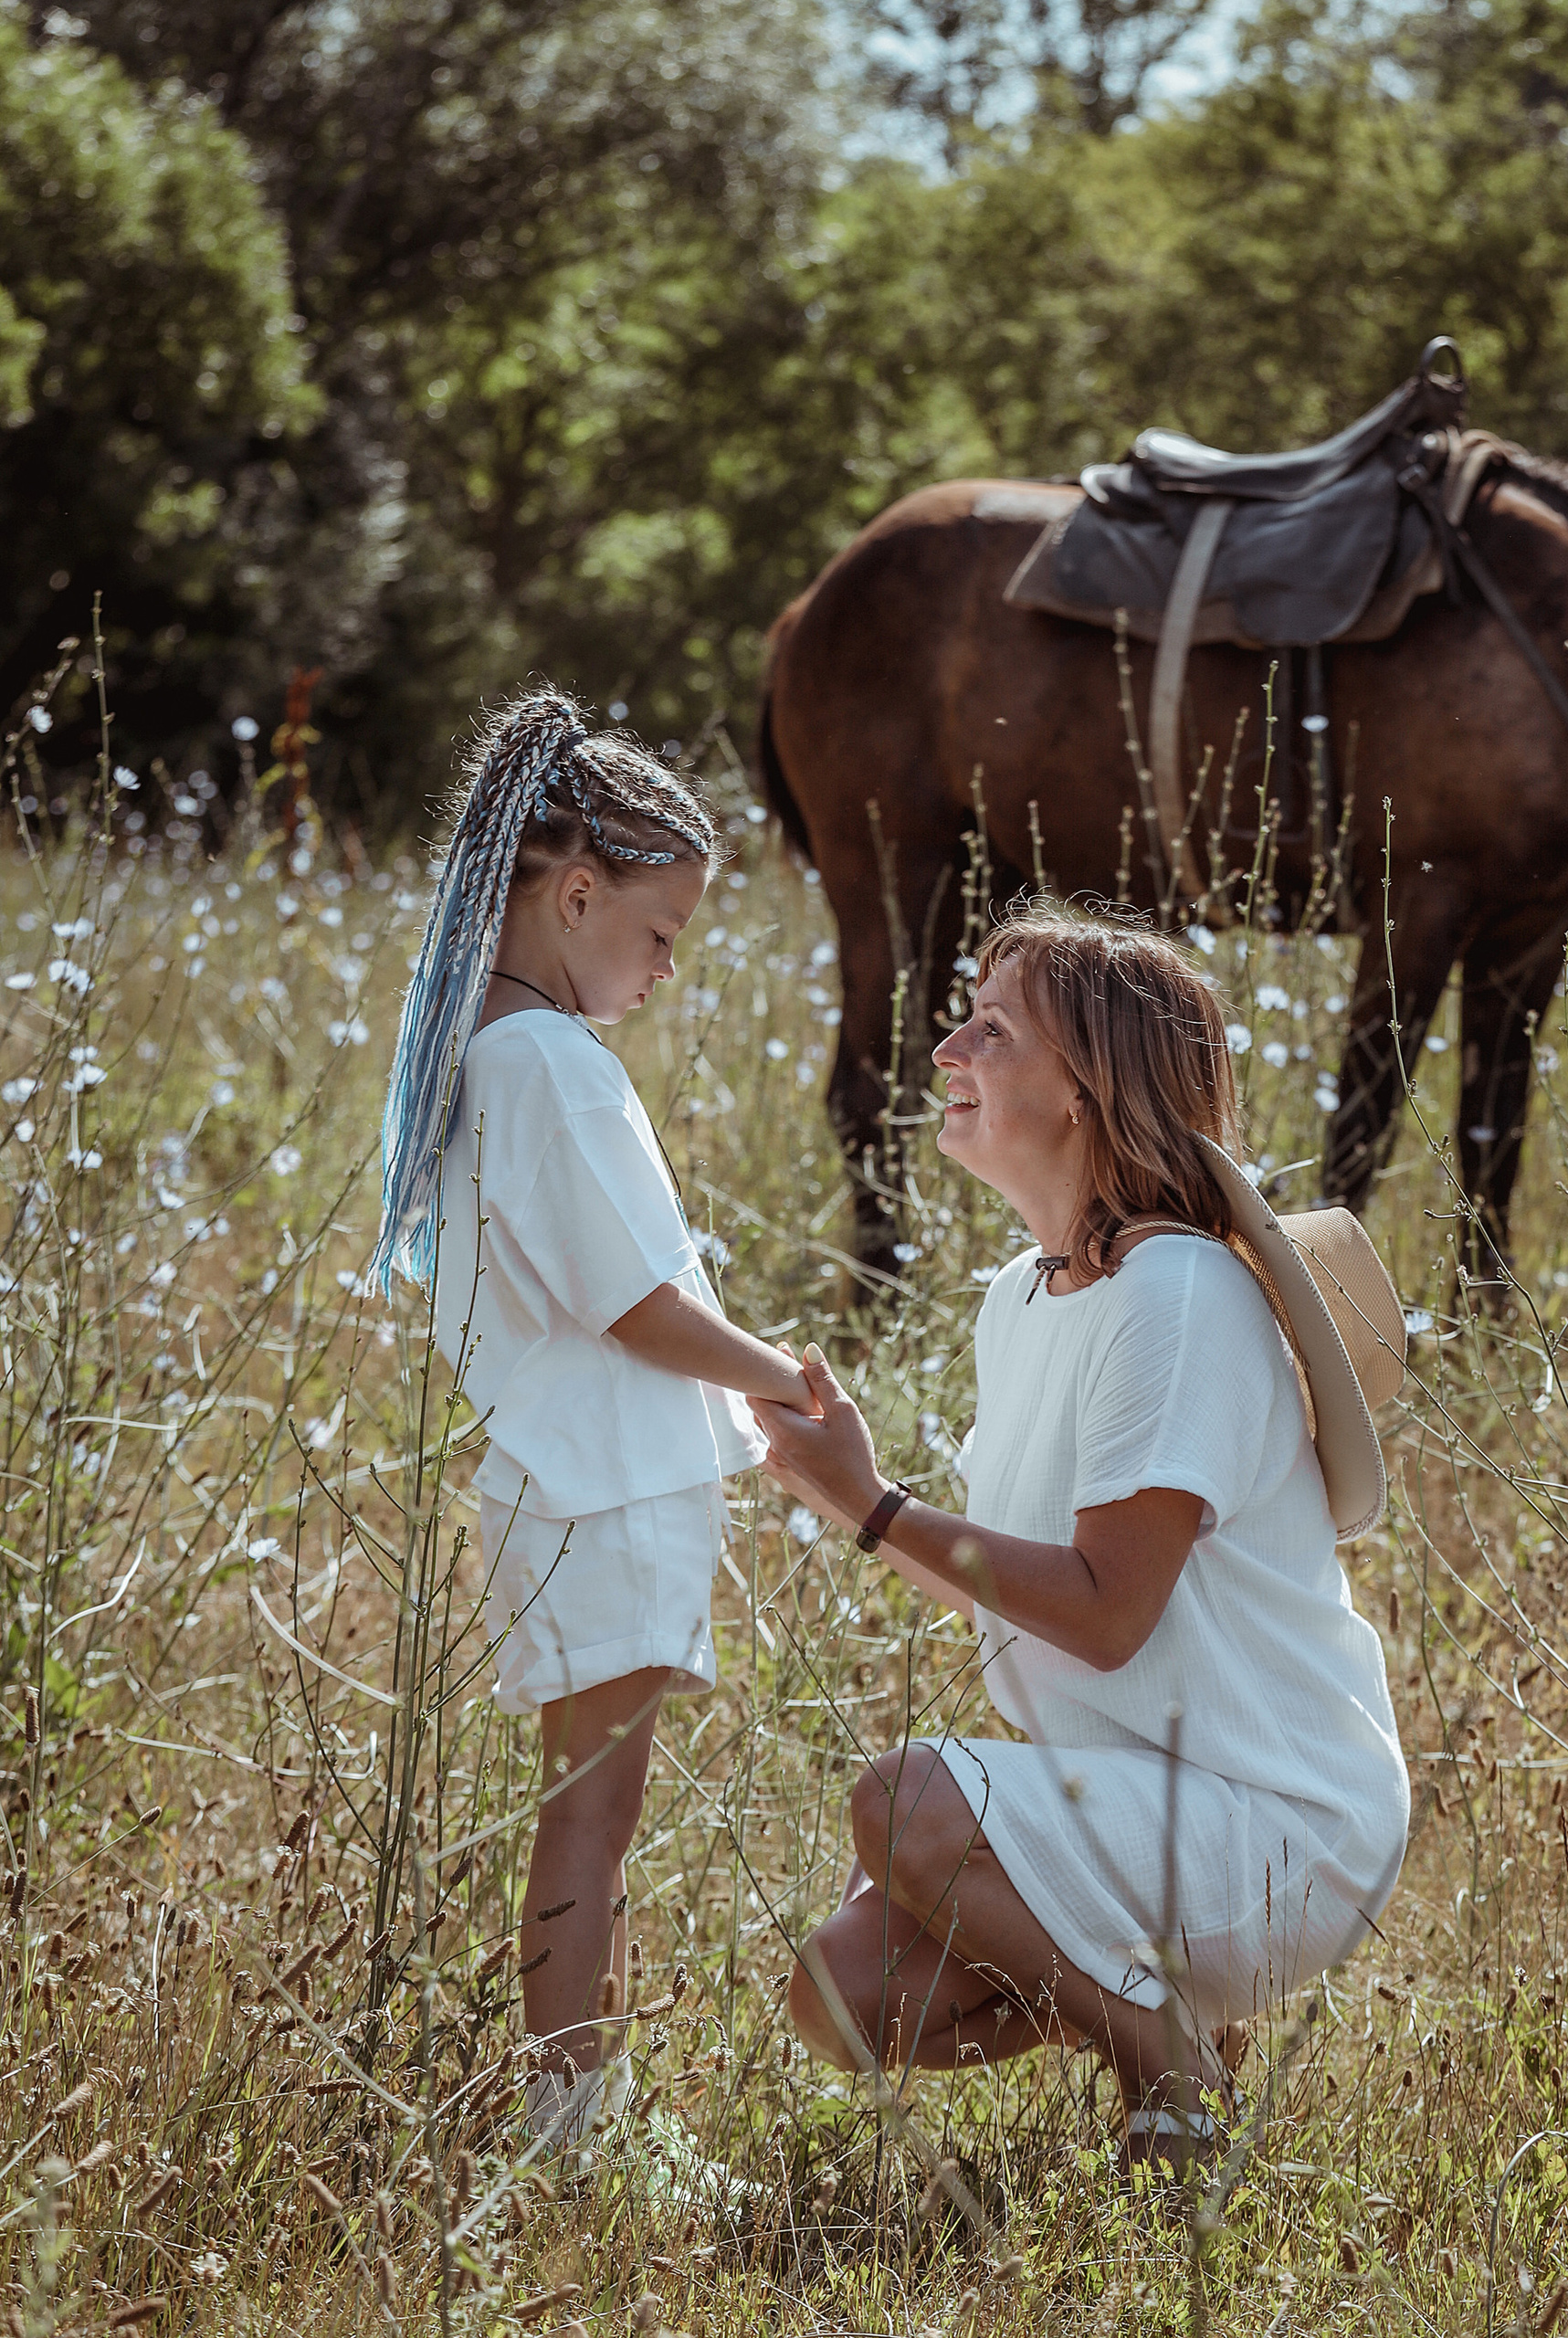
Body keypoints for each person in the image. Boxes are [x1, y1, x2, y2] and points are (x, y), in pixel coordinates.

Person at [756, 905, 1408, 2164]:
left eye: (991, 1031)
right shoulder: (1021, 1297)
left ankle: (1162, 2071)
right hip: (1146, 1801)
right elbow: (1040, 1594)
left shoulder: (1176, 1294)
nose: (946, 1045)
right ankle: (1165, 2025)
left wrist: (871, 1505)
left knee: (904, 1801)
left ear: (1085, 1091)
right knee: (841, 1995)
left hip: (1278, 1819)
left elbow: (1107, 1613)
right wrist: (855, 1495)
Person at [365, 688, 808, 2152]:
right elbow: (637, 1304)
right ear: (573, 894)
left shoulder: (499, 1055)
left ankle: (587, 2111)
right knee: (591, 1827)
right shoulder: (551, 1065)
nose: (666, 969)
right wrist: (782, 1375)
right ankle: (572, 2126)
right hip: (603, 1490)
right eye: (661, 934)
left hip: (581, 1484)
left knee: (593, 1819)